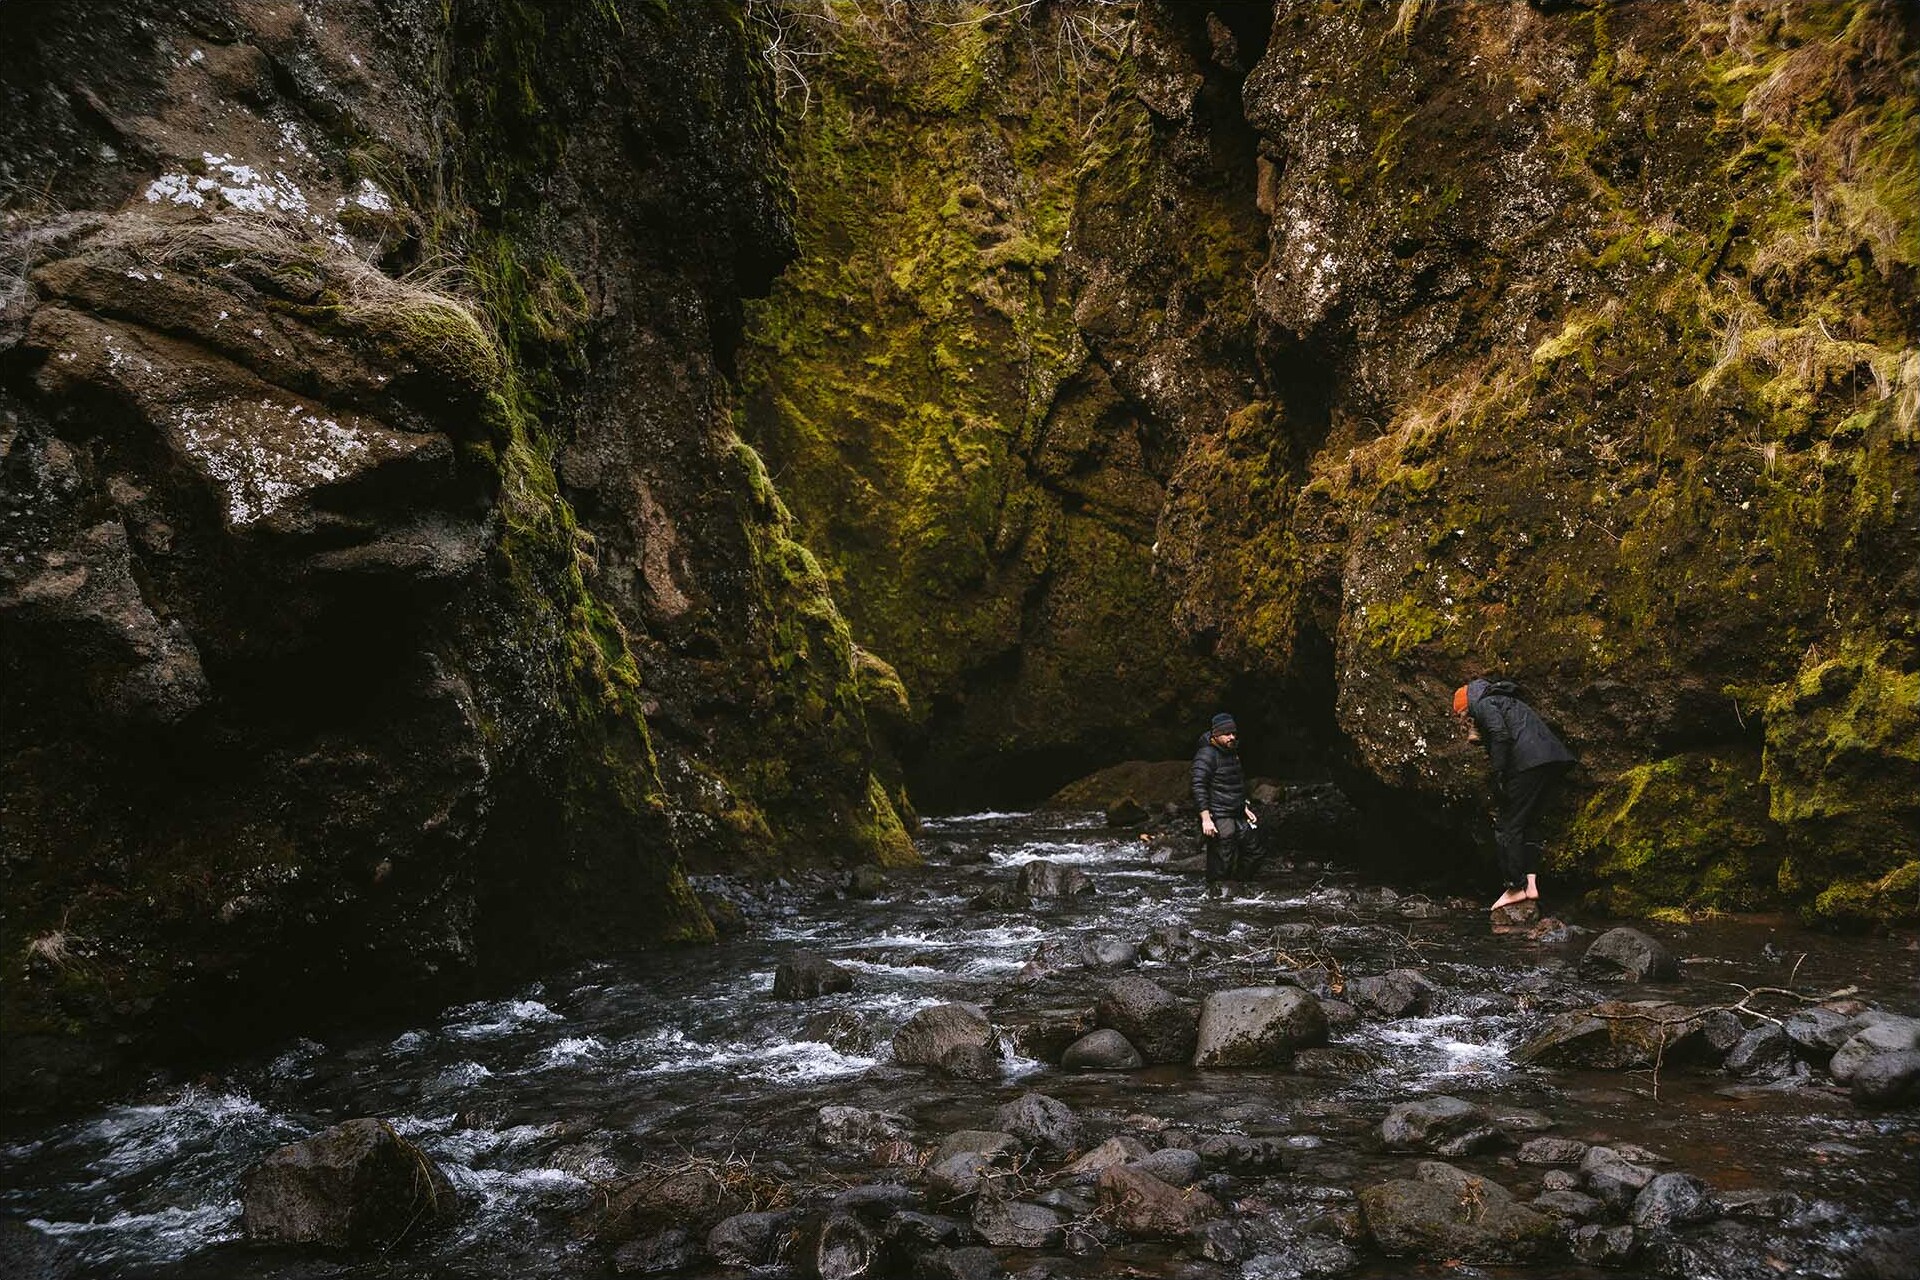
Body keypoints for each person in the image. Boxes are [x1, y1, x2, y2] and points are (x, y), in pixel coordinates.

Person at [1453, 678, 1576, 911]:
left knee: (1508, 825)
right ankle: (1530, 884)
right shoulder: (1507, 701)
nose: (1464, 721)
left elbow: (1500, 735)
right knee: (1528, 822)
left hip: (1528, 764)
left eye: (1462, 715)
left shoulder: (1484, 704)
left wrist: (1499, 774)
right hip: (1551, 761)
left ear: (1466, 707)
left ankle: (1515, 887)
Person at [1192, 712, 1260, 896]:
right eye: (1227, 734)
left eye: (1233, 733)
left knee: (1255, 850)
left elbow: (1237, 782)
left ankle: (1239, 888)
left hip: (1236, 811)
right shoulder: (1206, 755)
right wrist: (1206, 818)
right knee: (1223, 857)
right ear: (1216, 735)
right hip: (1219, 814)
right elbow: (1198, 786)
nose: (1232, 737)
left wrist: (1244, 806)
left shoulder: (1232, 752)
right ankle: (1217, 895)